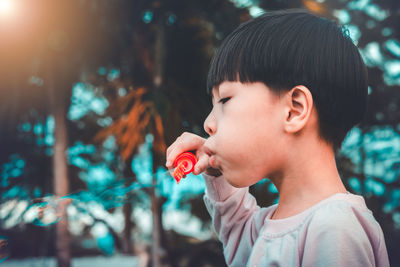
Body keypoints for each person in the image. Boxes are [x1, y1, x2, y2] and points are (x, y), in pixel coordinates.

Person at [165, 9, 390, 267]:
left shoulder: (334, 228)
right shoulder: (274, 224)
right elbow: (238, 235)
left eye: (225, 100)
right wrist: (216, 174)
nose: (208, 124)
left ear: (294, 110)